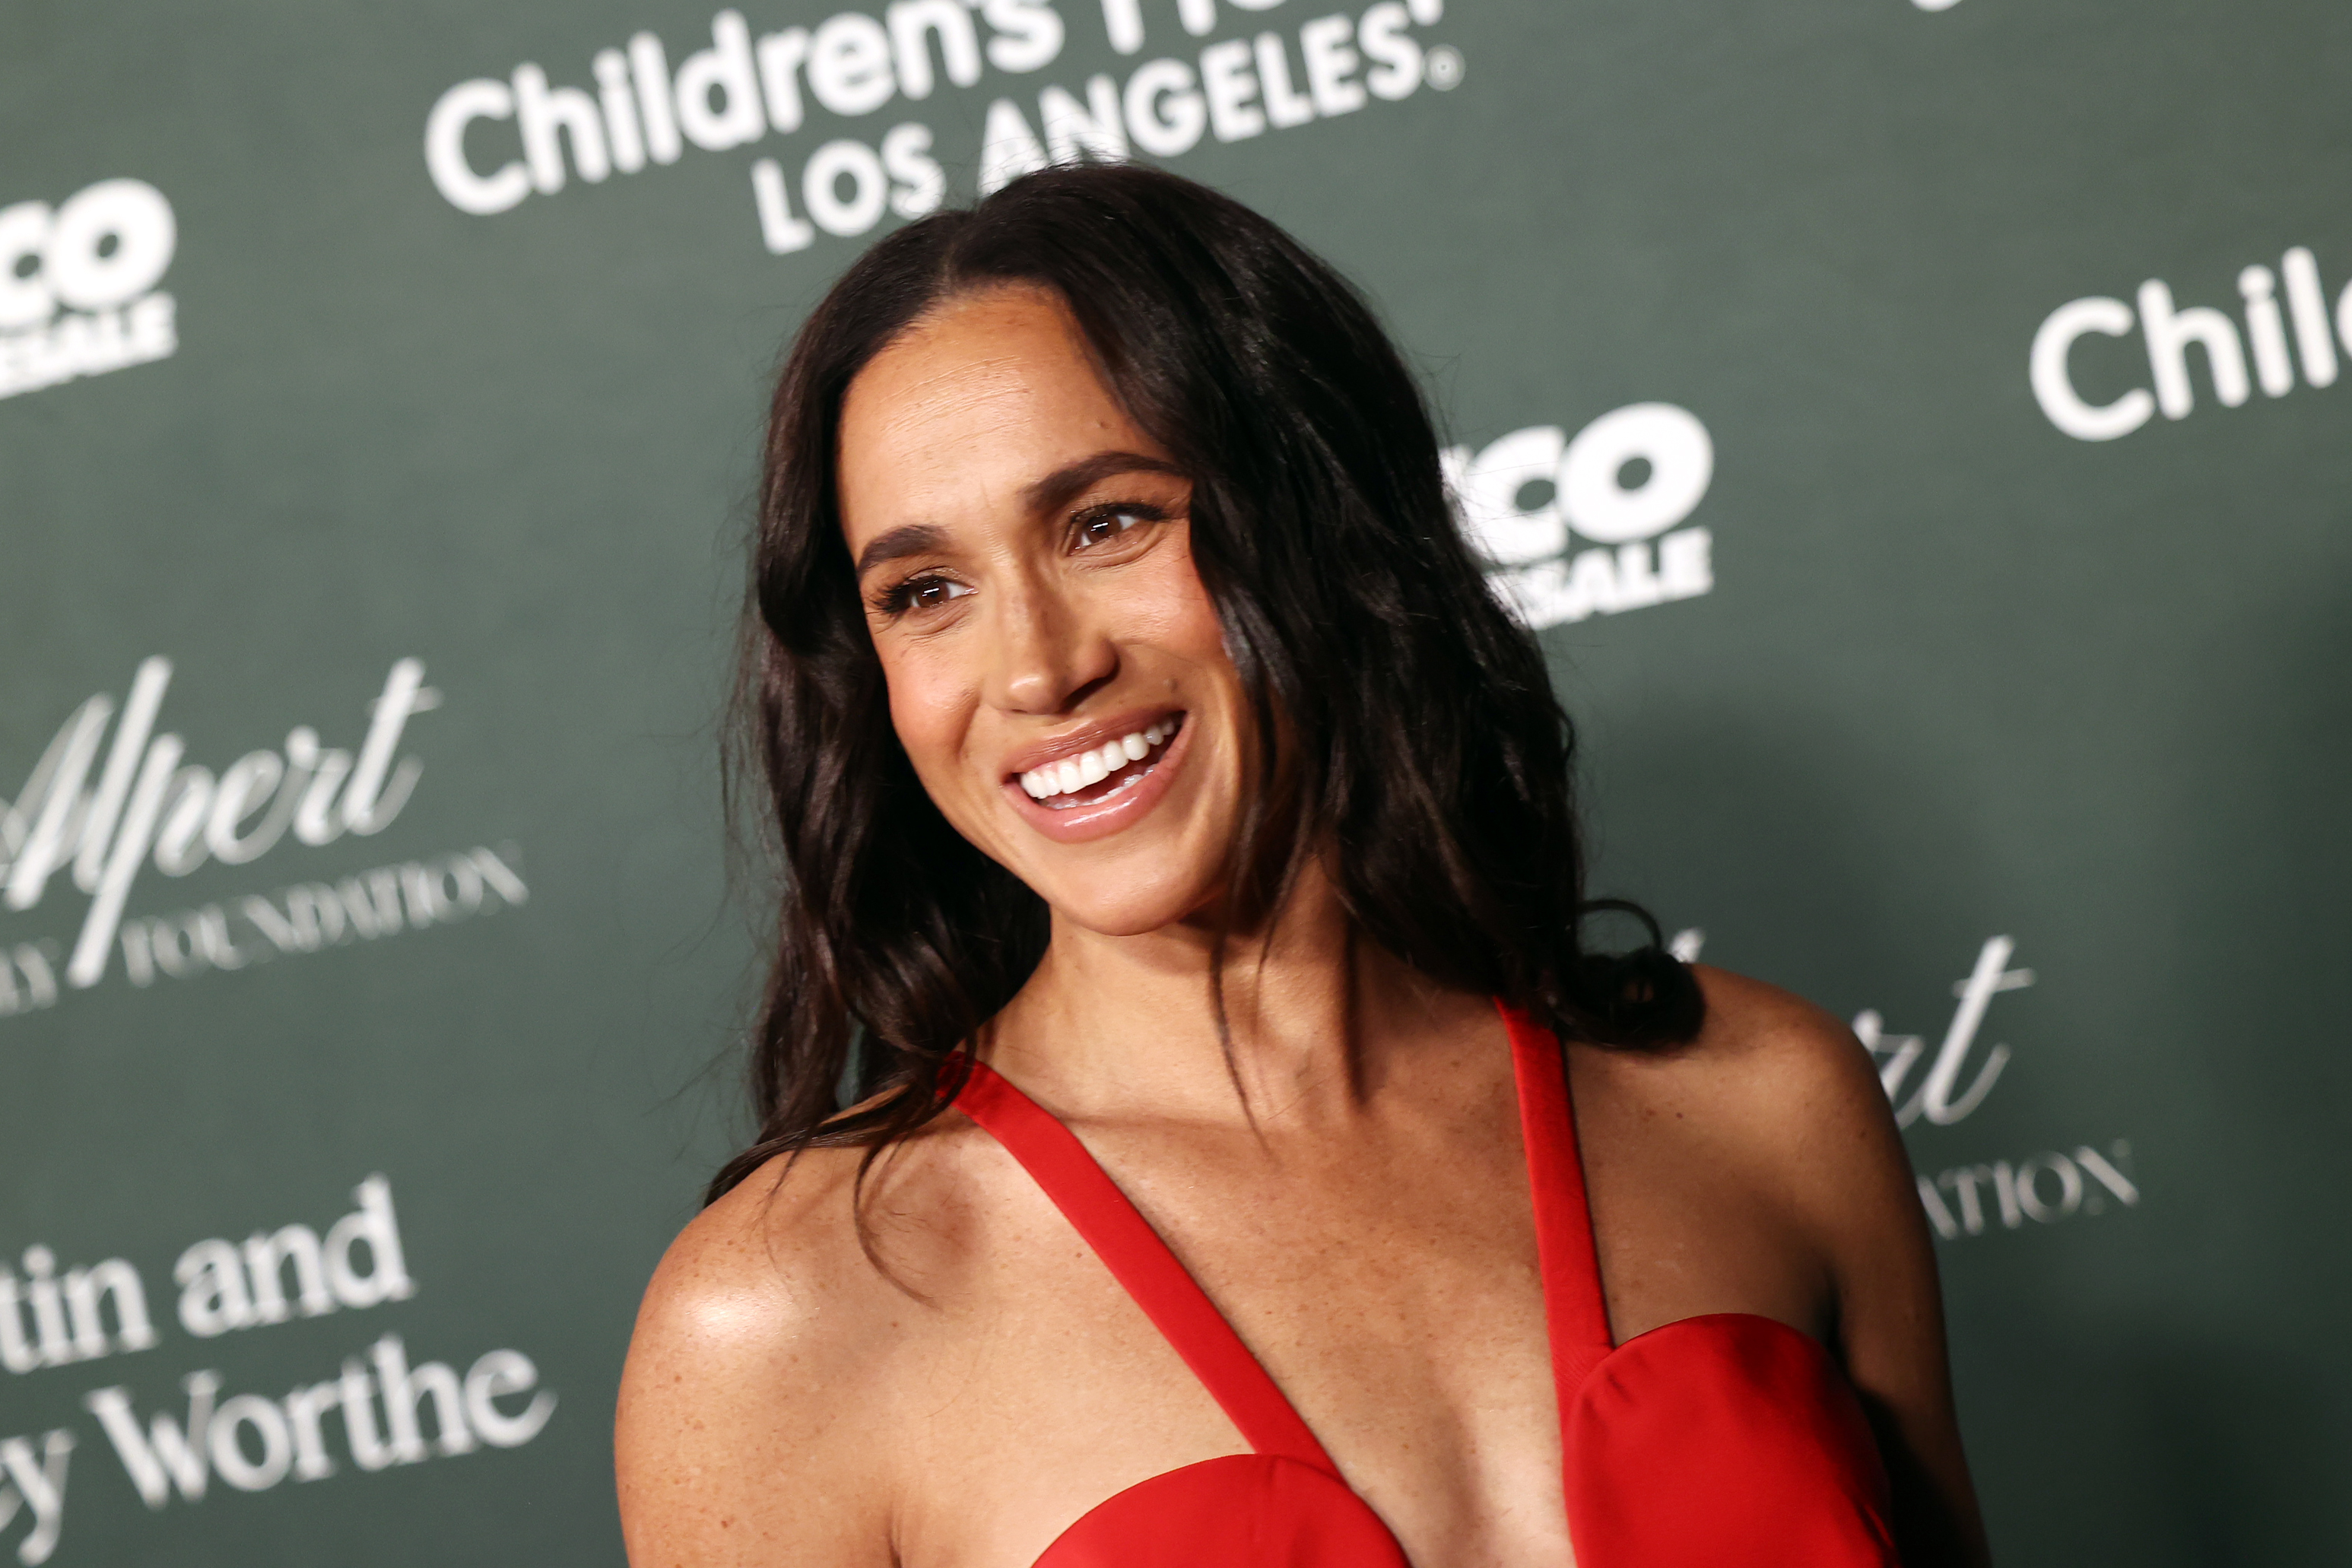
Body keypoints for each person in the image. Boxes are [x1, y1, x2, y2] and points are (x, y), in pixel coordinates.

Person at [615, 164, 1987, 1568]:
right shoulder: (789, 1315)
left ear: (1325, 520)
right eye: (926, 592)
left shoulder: (1764, 1108)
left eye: (1108, 523)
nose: (1035, 665)